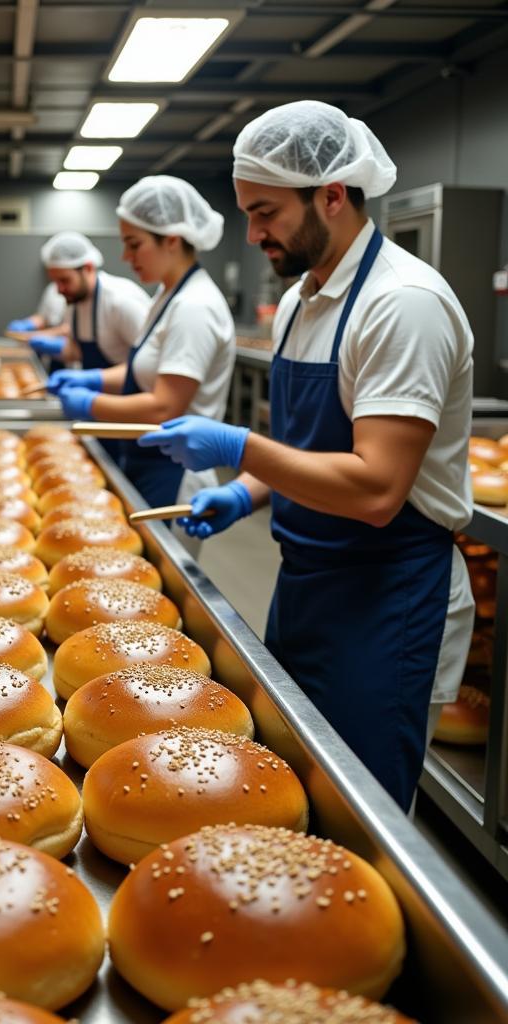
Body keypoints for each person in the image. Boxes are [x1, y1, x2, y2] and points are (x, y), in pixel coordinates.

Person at [137, 100, 475, 812]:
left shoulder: (402, 304)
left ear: (331, 194)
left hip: (386, 596)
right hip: (305, 581)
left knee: (362, 815)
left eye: (266, 213)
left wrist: (236, 446)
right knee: (293, 793)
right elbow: (306, 448)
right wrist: (247, 491)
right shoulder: (301, 300)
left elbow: (378, 487)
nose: (252, 233)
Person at [46, 178, 234, 531]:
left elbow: (165, 407)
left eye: (134, 245)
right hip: (146, 459)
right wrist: (94, 379)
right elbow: (142, 371)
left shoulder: (195, 307)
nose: (125, 257)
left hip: (176, 473)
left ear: (173, 240)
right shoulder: (167, 297)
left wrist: (90, 404)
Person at [24, 231, 151, 371]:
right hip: (101, 391)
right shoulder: (74, 303)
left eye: (64, 280)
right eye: (55, 282)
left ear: (88, 268)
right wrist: (51, 346)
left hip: (129, 392)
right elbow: (78, 351)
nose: (59, 290)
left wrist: (96, 379)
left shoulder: (121, 301)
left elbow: (149, 362)